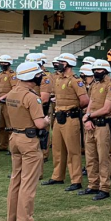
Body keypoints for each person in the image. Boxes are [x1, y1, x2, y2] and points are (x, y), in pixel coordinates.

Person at [4, 61, 50, 221]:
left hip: (15, 137)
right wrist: (47, 120)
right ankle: (25, 220)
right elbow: (39, 124)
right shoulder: (31, 97)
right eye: (38, 75)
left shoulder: (12, 93)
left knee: (16, 179)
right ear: (31, 77)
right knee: (28, 181)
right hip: (28, 140)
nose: (40, 77)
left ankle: (12, 217)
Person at [42, 53, 89, 191]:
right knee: (57, 148)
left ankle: (76, 180)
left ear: (67, 63)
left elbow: (85, 100)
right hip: (59, 117)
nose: (57, 64)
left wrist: (73, 109)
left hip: (70, 117)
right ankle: (57, 176)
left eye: (60, 62)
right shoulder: (58, 79)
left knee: (73, 150)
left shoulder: (75, 80)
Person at [80, 60, 111, 201]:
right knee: (90, 157)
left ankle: (104, 187)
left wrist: (89, 116)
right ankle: (92, 184)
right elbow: (91, 102)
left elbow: (107, 109)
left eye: (99, 70)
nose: (96, 72)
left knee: (103, 157)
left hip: (103, 125)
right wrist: (87, 118)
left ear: (106, 71)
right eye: (94, 70)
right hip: (91, 124)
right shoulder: (95, 85)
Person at [0, 55, 18, 151]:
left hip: (8, 103)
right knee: (1, 125)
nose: (3, 64)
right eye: (1, 63)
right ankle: (3, 145)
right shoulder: (0, 75)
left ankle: (11, 146)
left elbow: (14, 89)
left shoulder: (12, 75)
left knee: (10, 126)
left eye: (5, 63)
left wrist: (2, 97)